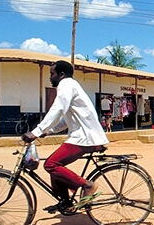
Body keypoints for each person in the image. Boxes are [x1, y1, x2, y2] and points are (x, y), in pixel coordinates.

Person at [22, 60, 109, 212]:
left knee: (50, 165)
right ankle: (65, 202)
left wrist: (36, 131)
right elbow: (66, 119)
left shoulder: (66, 85)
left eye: (52, 74)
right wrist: (48, 131)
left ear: (61, 74)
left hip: (85, 137)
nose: (50, 77)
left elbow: (58, 109)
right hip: (83, 136)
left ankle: (87, 185)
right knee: (54, 165)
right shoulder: (70, 86)